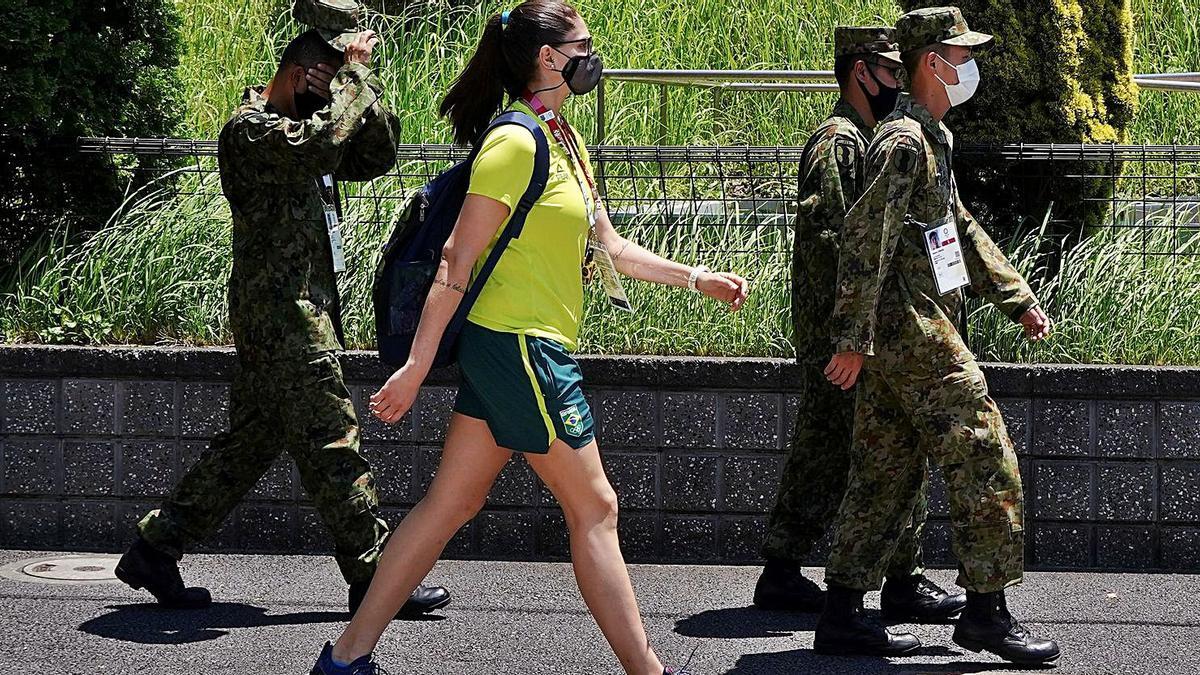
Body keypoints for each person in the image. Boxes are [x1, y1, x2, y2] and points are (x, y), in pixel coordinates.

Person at [309, 2, 748, 673]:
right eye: (584, 44)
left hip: (522, 344)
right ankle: (648, 669)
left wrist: (697, 278)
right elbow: (457, 260)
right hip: (520, 346)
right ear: (548, 56)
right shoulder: (514, 141)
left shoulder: (563, 138)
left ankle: (344, 657)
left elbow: (612, 248)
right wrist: (416, 366)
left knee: (452, 502)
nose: (593, 55)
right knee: (596, 505)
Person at [114, 1, 449, 620]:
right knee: (331, 437)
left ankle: (155, 549)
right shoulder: (255, 130)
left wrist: (358, 85)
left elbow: (377, 156)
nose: (334, 100)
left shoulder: (309, 131)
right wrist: (350, 80)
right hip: (283, 317)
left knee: (246, 445)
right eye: (326, 84)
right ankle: (374, 573)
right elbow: (323, 141)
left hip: (303, 311)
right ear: (300, 74)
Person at [813, 7, 1060, 664]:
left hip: (911, 325)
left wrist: (1017, 299)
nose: (969, 67)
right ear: (933, 63)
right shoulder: (902, 145)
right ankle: (987, 610)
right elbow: (866, 237)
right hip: (909, 326)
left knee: (884, 468)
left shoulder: (932, 140)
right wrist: (851, 336)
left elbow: (959, 227)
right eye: (961, 55)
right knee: (985, 451)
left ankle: (841, 610)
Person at [755, 26, 964, 625]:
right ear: (860, 73)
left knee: (848, 448)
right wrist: (857, 331)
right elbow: (839, 238)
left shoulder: (872, 139)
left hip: (851, 325)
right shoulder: (840, 143)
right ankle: (888, 578)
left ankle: (800, 570)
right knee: (871, 448)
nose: (900, 83)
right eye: (891, 72)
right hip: (844, 328)